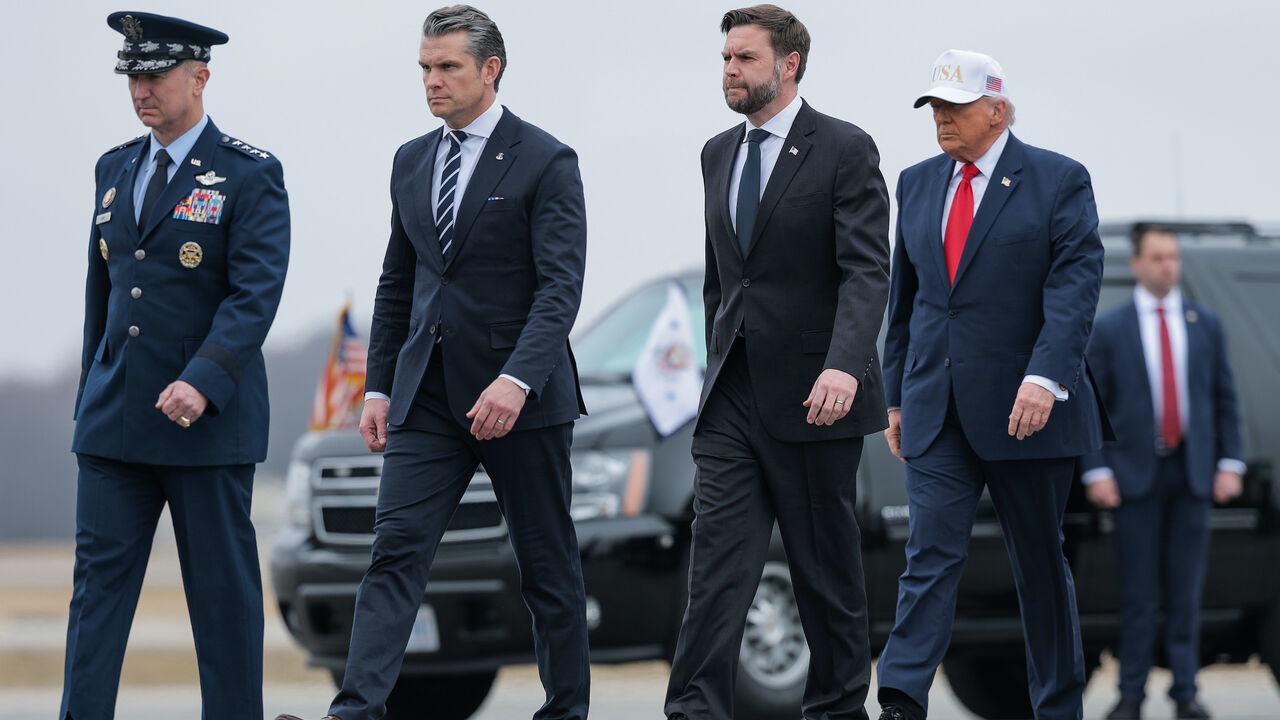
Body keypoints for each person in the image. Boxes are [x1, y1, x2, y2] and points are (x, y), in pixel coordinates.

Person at [274, 5, 590, 720]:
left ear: (491, 69)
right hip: (429, 400)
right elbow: (398, 284)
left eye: (447, 67)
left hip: (524, 403)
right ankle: (356, 713)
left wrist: (517, 379)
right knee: (394, 556)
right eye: (425, 68)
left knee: (547, 569)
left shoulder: (547, 160)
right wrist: (379, 385)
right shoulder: (411, 160)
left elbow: (559, 289)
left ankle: (566, 711)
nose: (432, 81)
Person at [663, 5, 891, 719]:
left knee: (826, 580)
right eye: (726, 58)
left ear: (788, 65)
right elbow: (722, 281)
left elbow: (866, 271)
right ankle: (693, 712)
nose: (729, 70)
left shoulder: (845, 148)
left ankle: (836, 711)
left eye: (745, 58)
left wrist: (844, 366)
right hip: (733, 396)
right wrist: (712, 364)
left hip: (815, 396)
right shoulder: (716, 153)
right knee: (716, 572)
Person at [65, 11, 289, 720]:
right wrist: (88, 397)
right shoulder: (113, 167)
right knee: (95, 601)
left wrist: (204, 377)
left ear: (200, 76)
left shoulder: (249, 174)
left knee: (223, 607)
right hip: (114, 428)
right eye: (133, 76)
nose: (142, 91)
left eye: (156, 75)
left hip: (206, 430)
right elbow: (101, 299)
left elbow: (255, 294)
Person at [876, 49, 1107, 720]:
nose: (941, 118)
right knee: (929, 558)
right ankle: (900, 700)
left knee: (1039, 565)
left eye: (955, 106)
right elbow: (909, 298)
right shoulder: (917, 183)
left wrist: (1046, 377)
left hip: (1025, 409)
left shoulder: (1058, 180)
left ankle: (1057, 704)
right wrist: (894, 393)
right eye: (935, 107)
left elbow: (1075, 287)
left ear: (997, 109)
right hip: (935, 408)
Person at [1082, 224, 1244, 720]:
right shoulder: (1111, 329)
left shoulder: (1205, 324)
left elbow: (1222, 398)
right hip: (1135, 477)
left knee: (1185, 592)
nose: (1166, 265)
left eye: (1172, 257)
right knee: (1138, 594)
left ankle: (1186, 693)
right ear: (1136, 264)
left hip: (1192, 474)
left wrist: (1230, 462)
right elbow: (1093, 405)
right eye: (1156, 257)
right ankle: (1131, 695)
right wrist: (1096, 471)